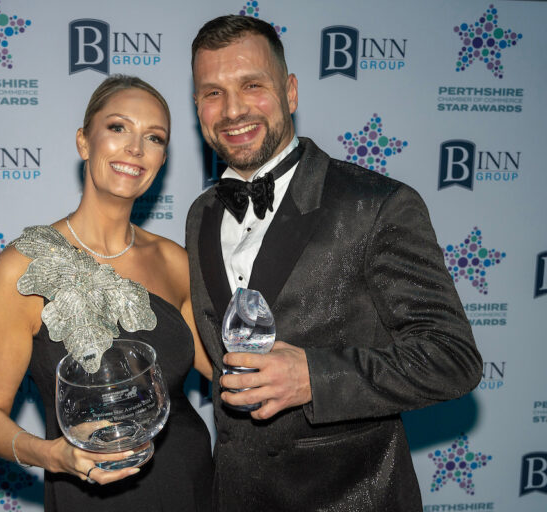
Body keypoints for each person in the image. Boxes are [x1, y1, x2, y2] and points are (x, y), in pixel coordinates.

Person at [185, 15, 483, 511]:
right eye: (212, 93)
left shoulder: (376, 204)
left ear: (291, 91)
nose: (232, 109)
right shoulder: (201, 213)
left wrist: (314, 377)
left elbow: (453, 358)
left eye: (252, 85)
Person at [0, 75, 213, 511]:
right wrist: (54, 455)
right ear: (84, 141)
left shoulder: (175, 261)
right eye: (118, 128)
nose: (135, 148)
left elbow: (225, 372)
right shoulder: (24, 266)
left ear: (162, 158)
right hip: (86, 496)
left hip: (187, 485)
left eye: (153, 137)